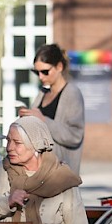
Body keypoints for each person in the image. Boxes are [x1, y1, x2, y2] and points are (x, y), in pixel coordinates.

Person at [16, 44, 86, 173]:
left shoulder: (72, 93)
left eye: (45, 71)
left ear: (59, 67)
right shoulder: (42, 93)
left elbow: (75, 136)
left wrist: (43, 120)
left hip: (60, 178)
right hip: (38, 174)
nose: (41, 77)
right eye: (37, 72)